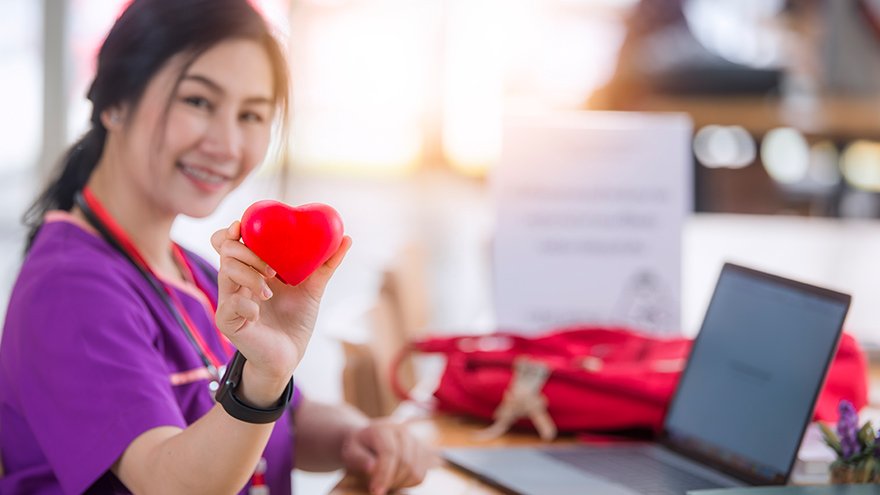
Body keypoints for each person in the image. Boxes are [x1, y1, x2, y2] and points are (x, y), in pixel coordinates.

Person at [0, 0, 436, 493]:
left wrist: (354, 435)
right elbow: (169, 484)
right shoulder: (70, 289)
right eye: (198, 102)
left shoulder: (192, 270)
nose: (227, 144)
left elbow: (287, 422)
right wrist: (264, 377)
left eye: (251, 114)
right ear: (114, 102)